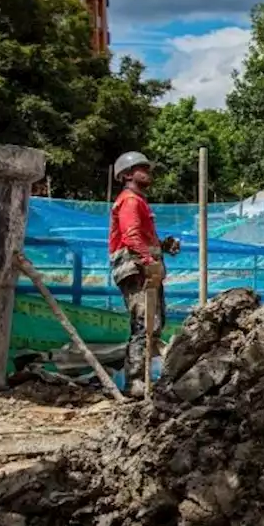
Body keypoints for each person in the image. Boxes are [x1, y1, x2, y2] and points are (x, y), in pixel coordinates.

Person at [108, 152, 180, 397]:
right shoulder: (130, 200)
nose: (148, 173)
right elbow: (131, 236)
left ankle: (144, 379)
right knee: (144, 325)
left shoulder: (139, 202)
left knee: (153, 324)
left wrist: (161, 246)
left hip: (144, 267)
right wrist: (150, 261)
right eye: (142, 169)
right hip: (136, 269)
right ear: (127, 174)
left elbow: (141, 239)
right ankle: (136, 381)